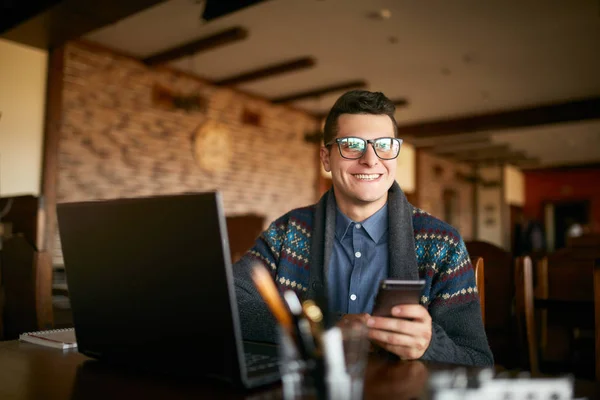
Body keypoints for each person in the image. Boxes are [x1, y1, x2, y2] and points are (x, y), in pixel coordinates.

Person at [233, 90, 493, 366]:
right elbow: (228, 304)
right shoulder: (287, 232)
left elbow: (477, 360)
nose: (370, 159)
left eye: (384, 145)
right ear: (325, 158)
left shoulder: (443, 244)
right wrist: (325, 328)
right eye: (352, 144)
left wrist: (431, 345)